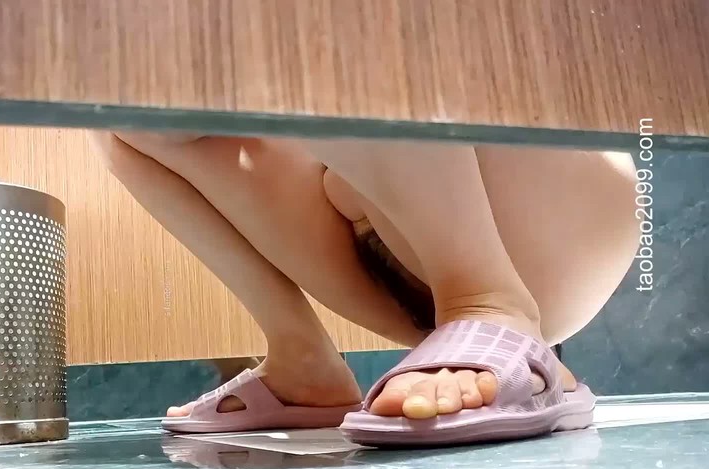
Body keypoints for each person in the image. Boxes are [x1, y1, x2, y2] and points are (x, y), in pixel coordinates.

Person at [89, 131, 639, 446]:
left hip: (546, 210)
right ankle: (302, 359)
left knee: (328, 27)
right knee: (123, 104)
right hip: (386, 236)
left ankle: (487, 297)